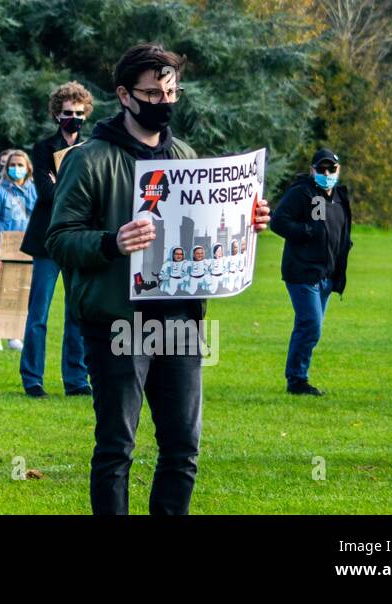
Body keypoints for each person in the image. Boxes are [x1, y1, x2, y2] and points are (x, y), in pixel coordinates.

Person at [46, 43, 271, 515]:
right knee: (116, 449)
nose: (165, 101)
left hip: (182, 320)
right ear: (125, 96)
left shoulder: (186, 155)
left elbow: (204, 227)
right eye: (153, 93)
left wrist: (246, 221)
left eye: (172, 91)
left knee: (183, 450)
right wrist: (112, 241)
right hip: (116, 322)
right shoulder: (89, 159)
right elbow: (60, 239)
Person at [20, 82, 94, 397]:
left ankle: (76, 379)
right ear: (56, 114)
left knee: (77, 312)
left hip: (78, 238)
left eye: (78, 113)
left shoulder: (91, 148)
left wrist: (60, 181)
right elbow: (47, 193)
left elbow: (92, 197)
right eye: (67, 113)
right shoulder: (42, 148)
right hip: (47, 240)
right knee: (39, 312)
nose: (73, 118)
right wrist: (71, 187)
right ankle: (32, 377)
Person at [269, 148, 353, 396]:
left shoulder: (339, 196)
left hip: (327, 275)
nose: (327, 173)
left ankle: (298, 376)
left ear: (339, 170)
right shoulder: (301, 193)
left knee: (310, 325)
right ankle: (296, 380)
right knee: (311, 325)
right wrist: (306, 231)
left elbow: (339, 230)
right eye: (322, 169)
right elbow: (278, 222)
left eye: (332, 169)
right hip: (302, 272)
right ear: (312, 170)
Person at [0, 148, 38, 353]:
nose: (16, 168)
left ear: (28, 168)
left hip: (27, 251)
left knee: (19, 294)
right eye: (12, 165)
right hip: (3, 250)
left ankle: (14, 335)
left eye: (20, 165)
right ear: (7, 168)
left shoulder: (35, 191)